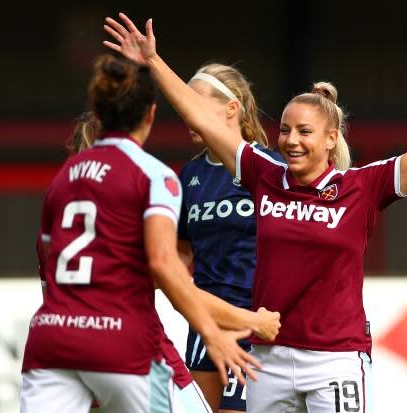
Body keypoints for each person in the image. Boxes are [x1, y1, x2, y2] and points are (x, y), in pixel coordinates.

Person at [103, 13, 407, 412]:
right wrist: (155, 64)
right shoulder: (264, 172)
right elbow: (203, 119)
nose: (291, 141)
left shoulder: (364, 186)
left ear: (330, 139)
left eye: (305, 131)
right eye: (284, 130)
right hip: (270, 356)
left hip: (334, 358)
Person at [20, 54, 261, 413]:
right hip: (123, 337)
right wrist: (216, 331)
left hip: (52, 335)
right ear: (150, 115)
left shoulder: (64, 180)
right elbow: (165, 265)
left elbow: (51, 265)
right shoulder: (153, 174)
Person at [64, 110, 281, 413]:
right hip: (134, 344)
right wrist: (249, 322)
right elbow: (176, 286)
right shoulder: (139, 210)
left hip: (67, 344)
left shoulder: (59, 217)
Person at [178, 63, 284, 413]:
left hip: (256, 322)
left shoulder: (268, 166)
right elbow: (180, 252)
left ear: (231, 108)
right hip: (206, 323)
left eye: (195, 103)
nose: (186, 113)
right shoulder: (189, 175)